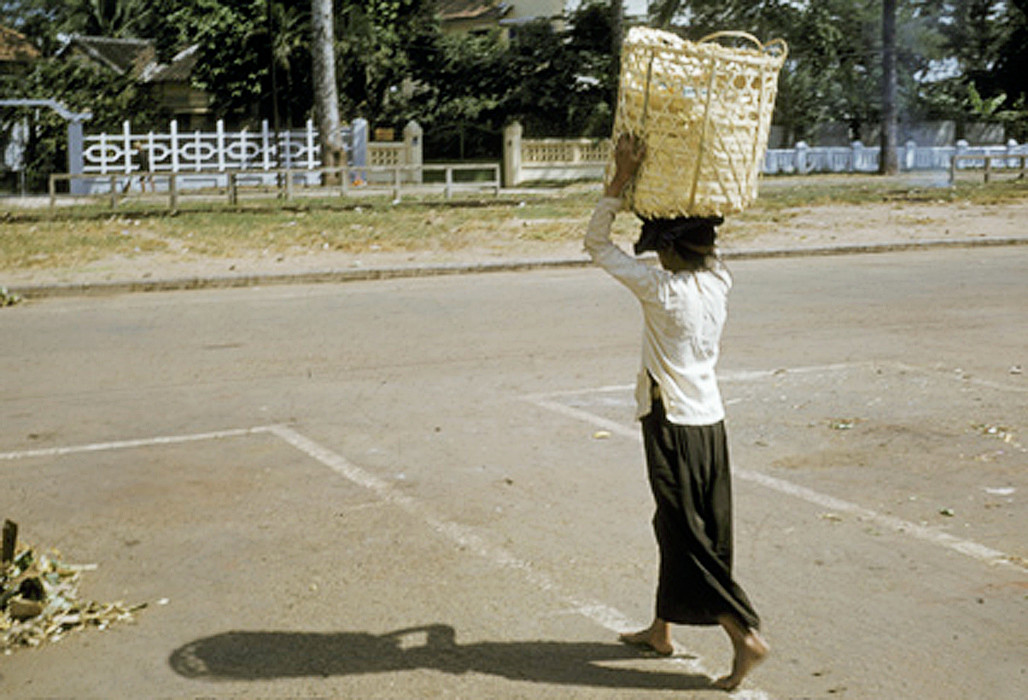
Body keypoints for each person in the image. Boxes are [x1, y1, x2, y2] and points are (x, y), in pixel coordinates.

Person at [584, 133, 769, 691]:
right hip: (710, 424)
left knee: (689, 535)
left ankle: (745, 635)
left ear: (666, 251)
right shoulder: (719, 282)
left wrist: (620, 180)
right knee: (676, 523)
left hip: (672, 427)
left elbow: (596, 244)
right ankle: (661, 630)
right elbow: (709, 231)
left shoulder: (659, 289)